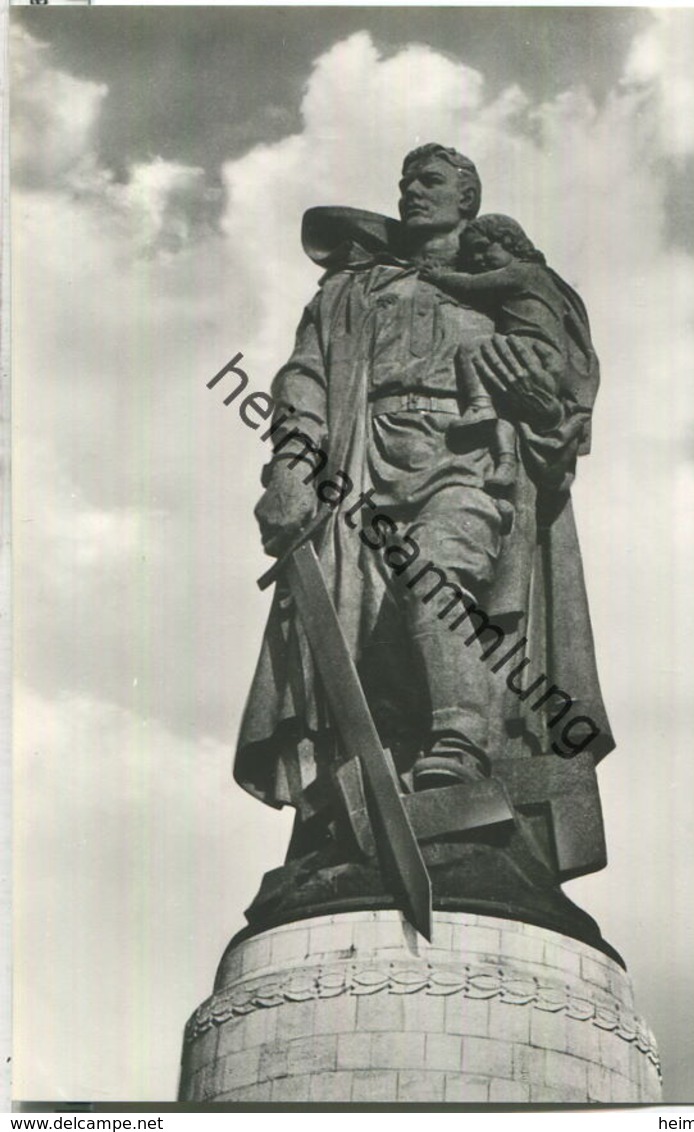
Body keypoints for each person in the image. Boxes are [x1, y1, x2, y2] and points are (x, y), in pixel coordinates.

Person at [235, 145, 614, 912]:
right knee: (360, 642)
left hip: (464, 458)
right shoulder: (352, 288)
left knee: (435, 581)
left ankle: (459, 750)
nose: (412, 191)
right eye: (405, 180)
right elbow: (305, 375)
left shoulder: (503, 282)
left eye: (431, 181)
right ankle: (367, 817)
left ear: (467, 198)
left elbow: (565, 388)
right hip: (359, 467)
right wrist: (291, 465)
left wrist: (536, 399)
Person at [421, 213, 566, 493]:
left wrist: (438, 276)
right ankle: (506, 464)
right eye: (472, 253)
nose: (478, 259)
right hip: (543, 357)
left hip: (532, 347)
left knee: (472, 347)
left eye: (484, 247)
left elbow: (473, 285)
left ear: (510, 243)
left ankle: (479, 404)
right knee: (506, 412)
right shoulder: (539, 277)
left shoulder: (524, 271)